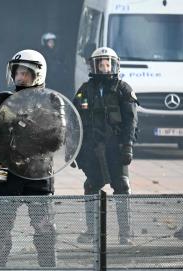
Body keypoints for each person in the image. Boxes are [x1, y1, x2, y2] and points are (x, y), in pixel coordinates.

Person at [0, 49, 64, 271]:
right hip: (8, 172)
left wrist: (28, 124)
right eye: (17, 72)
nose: (20, 77)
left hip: (38, 174)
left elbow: (56, 140)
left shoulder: (52, 101)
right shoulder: (4, 99)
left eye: (25, 72)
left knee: (46, 230)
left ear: (37, 74)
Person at [73, 47, 138, 245]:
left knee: (122, 186)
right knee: (91, 185)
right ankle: (92, 232)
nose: (104, 67)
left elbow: (131, 121)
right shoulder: (85, 90)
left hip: (115, 148)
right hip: (93, 148)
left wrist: (127, 146)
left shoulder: (123, 89)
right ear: (93, 66)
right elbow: (75, 118)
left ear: (114, 64)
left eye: (107, 63)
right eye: (100, 63)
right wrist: (75, 150)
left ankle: (125, 234)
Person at [40, 32, 71, 97]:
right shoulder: (42, 53)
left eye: (53, 42)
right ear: (45, 43)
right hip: (47, 79)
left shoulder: (58, 52)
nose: (52, 44)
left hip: (57, 79)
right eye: (49, 42)